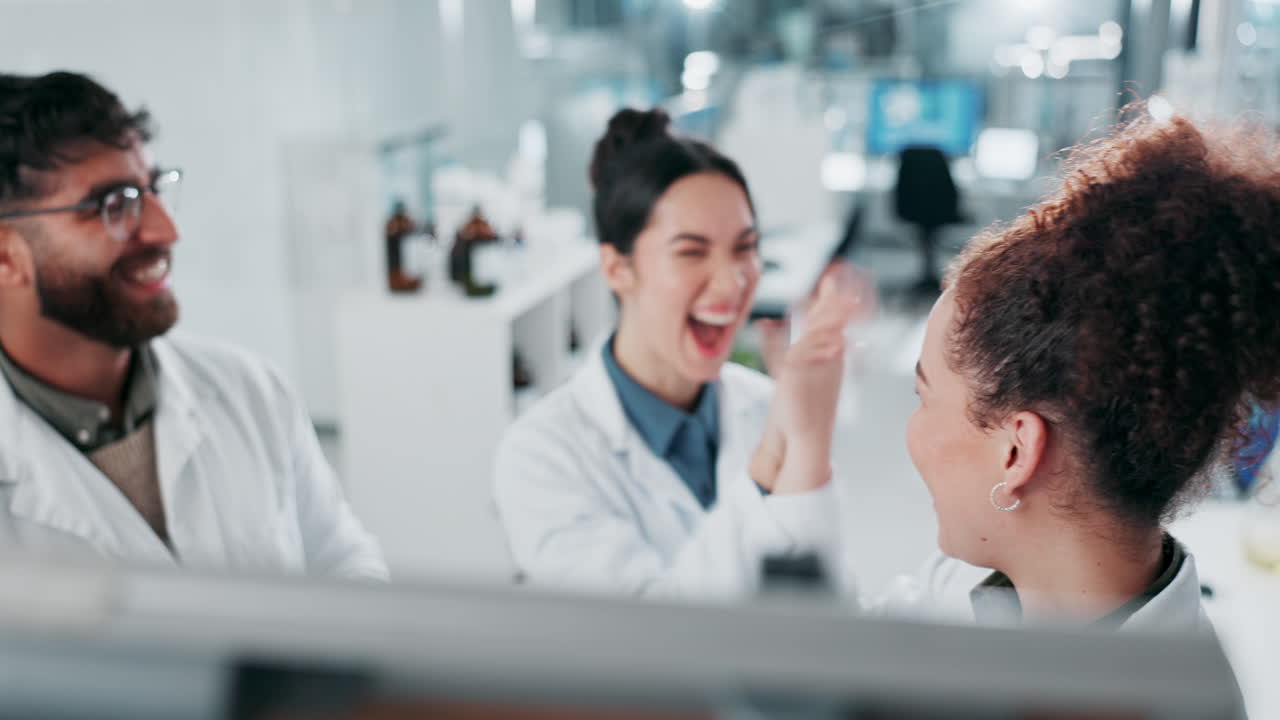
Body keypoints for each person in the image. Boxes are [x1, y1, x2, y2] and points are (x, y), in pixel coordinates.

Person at [760, 110, 1280, 628]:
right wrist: (804, 438)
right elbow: (850, 661)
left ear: (1016, 451)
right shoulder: (979, 586)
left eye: (925, 396)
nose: (910, 425)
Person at [0, 71, 386, 579]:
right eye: (115, 205)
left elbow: (341, 560)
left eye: (153, 189)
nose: (166, 230)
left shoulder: (249, 391)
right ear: (7, 256)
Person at [493, 108, 863, 598]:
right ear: (617, 268)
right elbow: (646, 635)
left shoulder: (766, 402)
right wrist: (774, 455)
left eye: (745, 248)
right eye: (691, 252)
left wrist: (805, 442)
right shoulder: (542, 456)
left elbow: (828, 603)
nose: (733, 282)